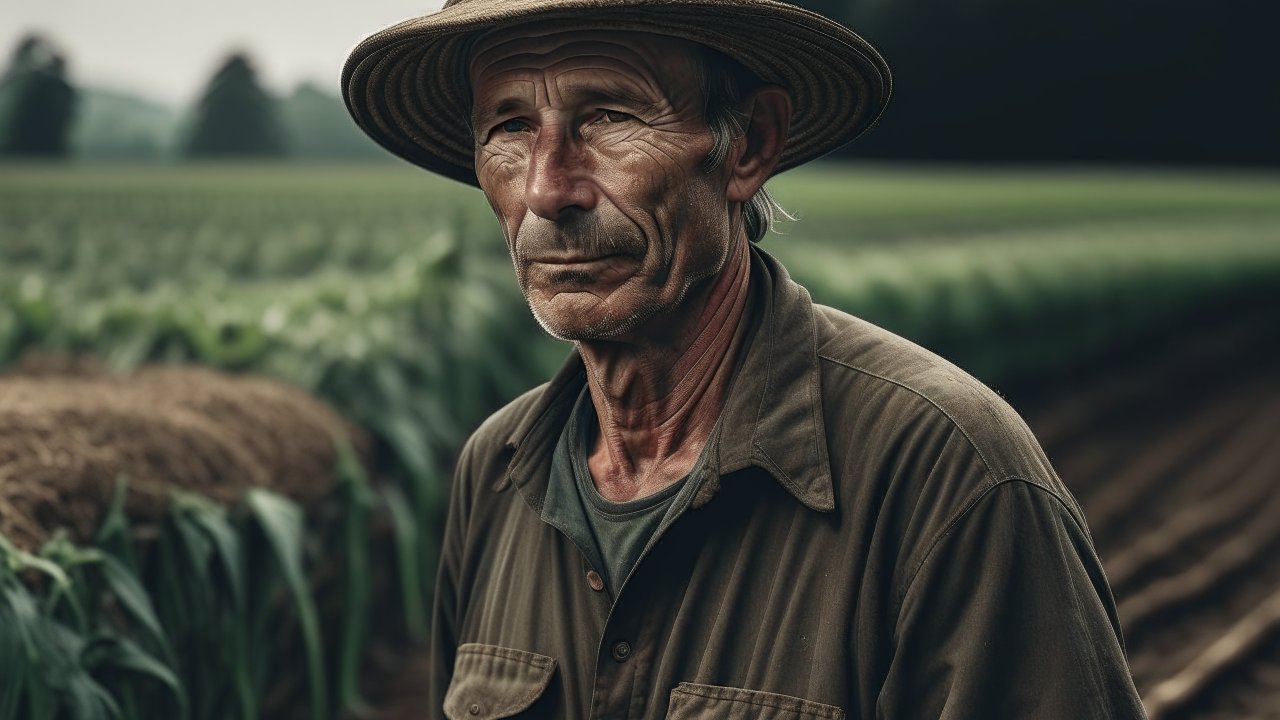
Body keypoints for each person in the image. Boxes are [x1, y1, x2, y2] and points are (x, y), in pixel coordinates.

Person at [344, 0, 1147, 717]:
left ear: (750, 145)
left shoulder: (948, 473)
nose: (550, 190)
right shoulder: (496, 474)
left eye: (610, 115)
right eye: (510, 127)